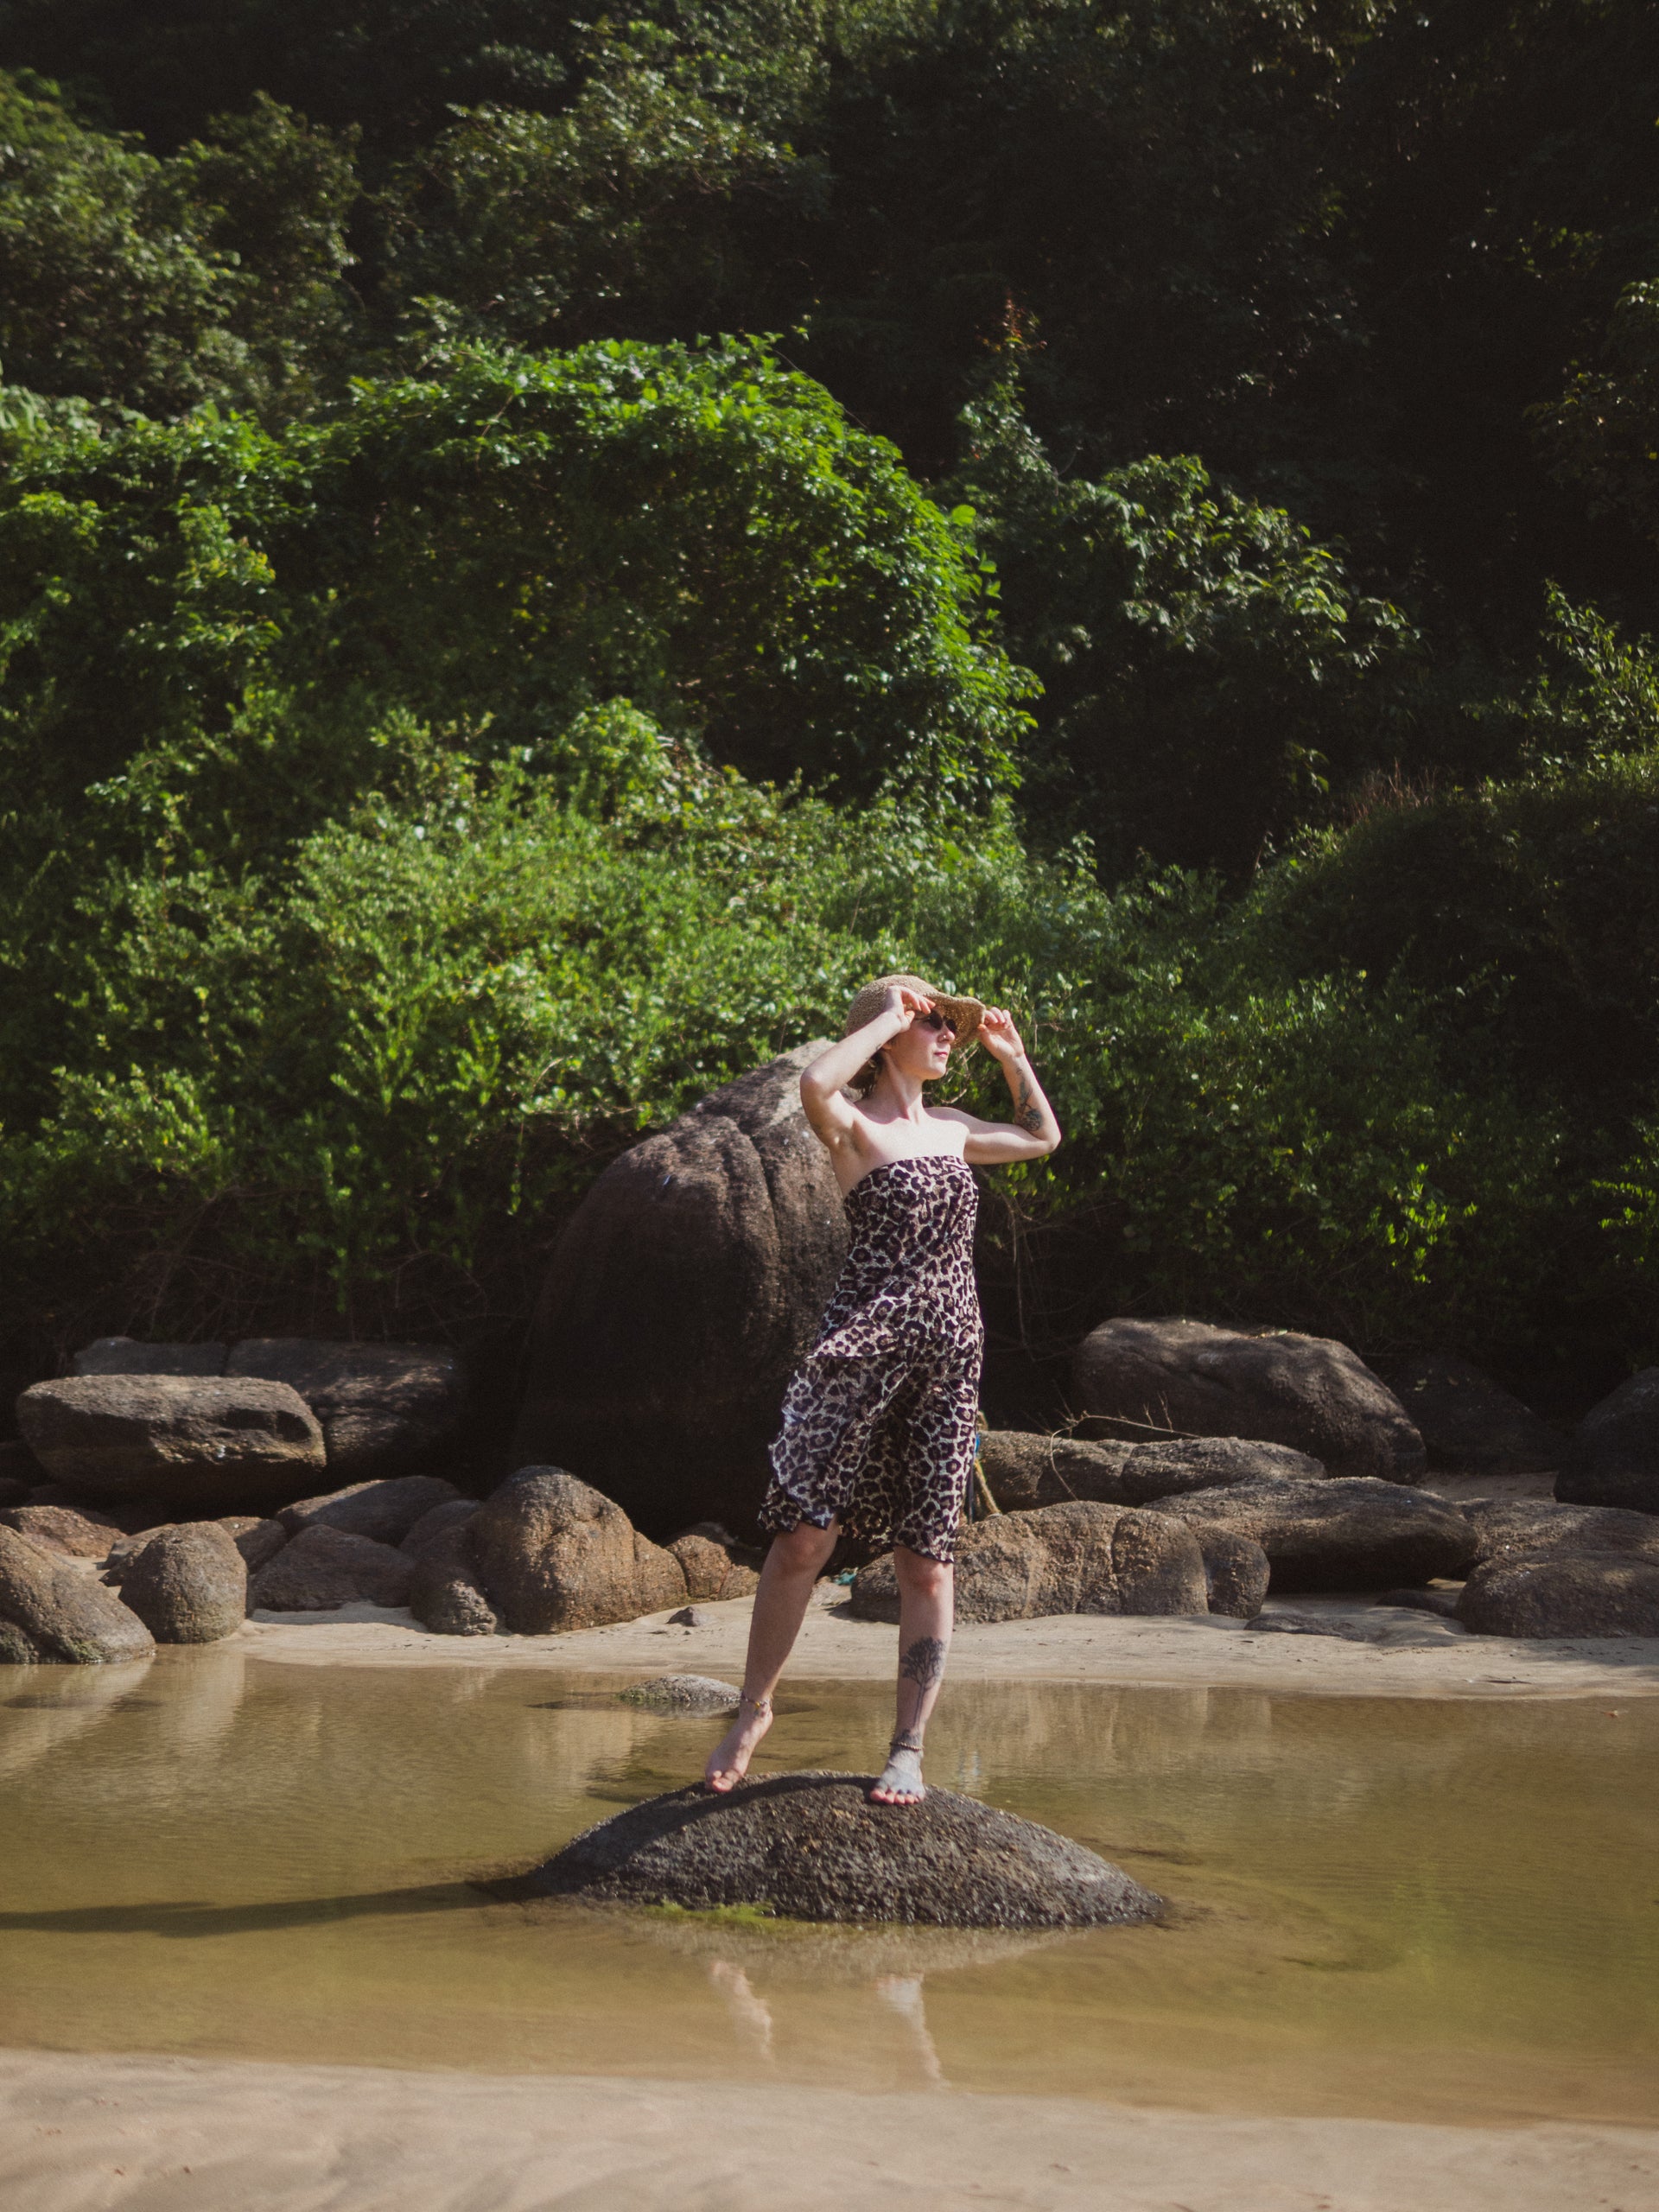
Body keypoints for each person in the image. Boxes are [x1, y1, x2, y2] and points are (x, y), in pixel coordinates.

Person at [703, 973, 1062, 1806]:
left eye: (951, 1026)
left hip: (951, 1363)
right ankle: (754, 1709)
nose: (949, 1036)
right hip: (860, 1354)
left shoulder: (954, 1129)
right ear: (893, 1030)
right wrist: (888, 1017)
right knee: (803, 1538)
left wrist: (1012, 1058)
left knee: (926, 1559)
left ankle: (908, 1746)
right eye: (934, 1023)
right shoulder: (855, 1127)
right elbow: (814, 1083)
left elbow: (1042, 1138)